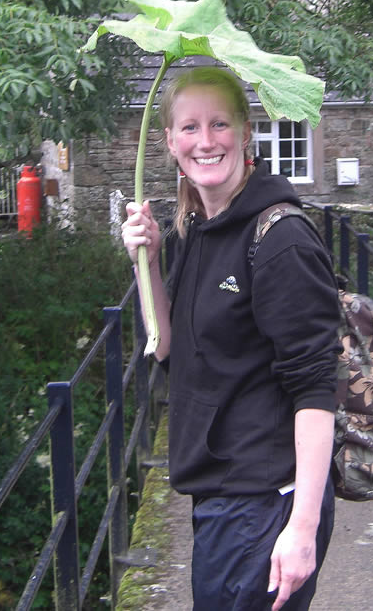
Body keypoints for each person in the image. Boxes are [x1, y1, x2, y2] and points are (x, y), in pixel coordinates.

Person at [121, 65, 341, 611]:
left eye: (219, 124)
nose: (206, 140)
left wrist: (301, 529)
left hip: (265, 502)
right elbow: (172, 349)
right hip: (220, 495)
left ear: (246, 133)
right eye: (190, 127)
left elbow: (316, 387)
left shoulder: (280, 237)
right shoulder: (201, 228)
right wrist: (145, 262)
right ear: (169, 142)